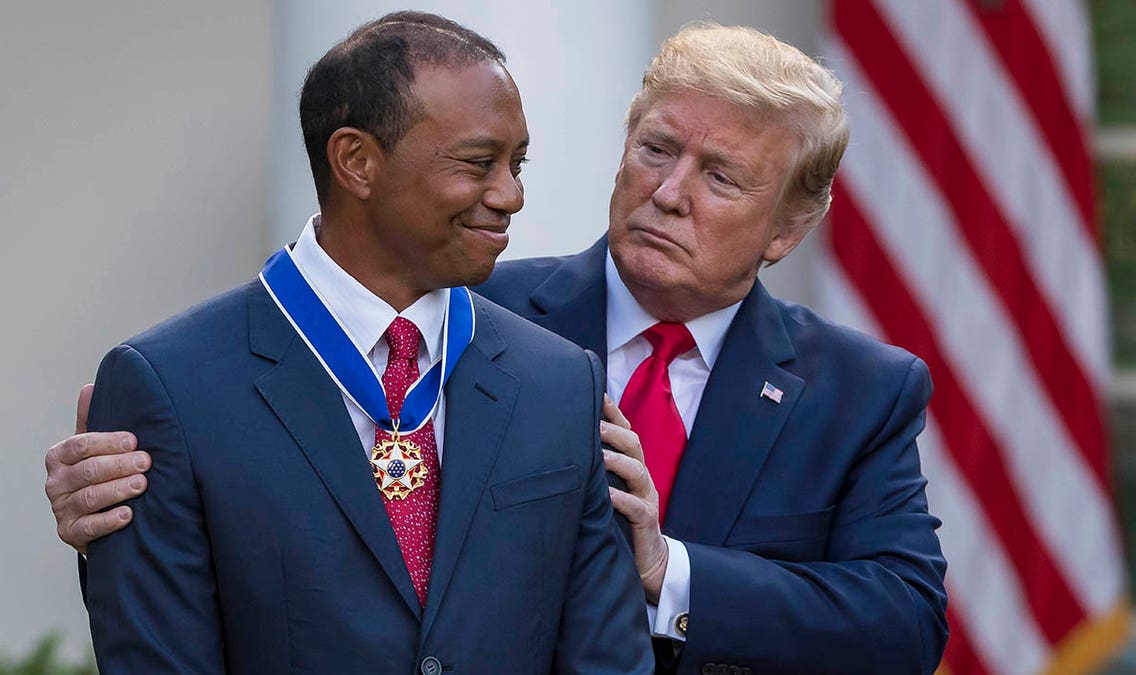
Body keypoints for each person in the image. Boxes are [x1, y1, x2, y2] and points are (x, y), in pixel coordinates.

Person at [47, 21, 948, 675]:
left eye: (719, 177)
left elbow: (904, 622)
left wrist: (666, 571)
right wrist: (145, 487)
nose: (669, 192)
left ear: (790, 225)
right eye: (655, 149)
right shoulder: (455, 305)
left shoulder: (862, 390)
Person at [71, 12, 653, 674]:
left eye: (517, 163)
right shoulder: (169, 386)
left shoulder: (560, 382)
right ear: (356, 161)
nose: (511, 194)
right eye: (478, 162)